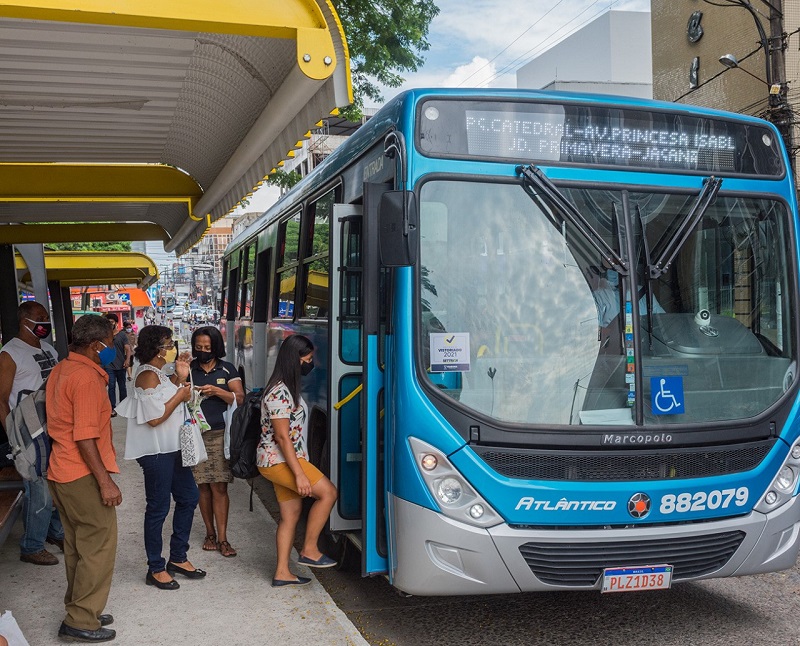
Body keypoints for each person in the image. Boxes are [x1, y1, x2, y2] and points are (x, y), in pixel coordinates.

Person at [46, 313, 121, 643]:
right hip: (82, 474)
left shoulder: (63, 368)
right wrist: (105, 481)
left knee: (78, 546)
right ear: (95, 345)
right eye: (110, 343)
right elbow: (86, 436)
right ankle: (81, 620)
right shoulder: (87, 378)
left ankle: (81, 608)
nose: (113, 349)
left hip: (62, 471)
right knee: (99, 546)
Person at [116, 325, 204, 591]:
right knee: (158, 508)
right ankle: (155, 567)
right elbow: (154, 418)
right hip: (155, 452)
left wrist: (179, 376)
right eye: (168, 344)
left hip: (171, 448)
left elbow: (165, 396)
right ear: (156, 348)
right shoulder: (146, 375)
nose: (172, 348)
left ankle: (178, 557)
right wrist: (180, 395)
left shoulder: (159, 373)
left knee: (189, 497)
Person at [258, 334, 338, 587]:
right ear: (295, 359)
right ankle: (310, 550)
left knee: (290, 515)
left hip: (277, 460)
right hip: (279, 460)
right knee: (328, 493)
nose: (311, 363)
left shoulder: (284, 388)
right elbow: (282, 437)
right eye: (308, 359)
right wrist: (300, 474)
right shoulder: (279, 392)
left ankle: (282, 572)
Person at [0, 301, 64, 566]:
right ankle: (32, 545)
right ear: (24, 321)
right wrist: (13, 436)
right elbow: (1, 398)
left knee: (57, 481)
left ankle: (55, 532)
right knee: (38, 487)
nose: (45, 322)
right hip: (27, 430)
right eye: (40, 317)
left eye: (46, 317)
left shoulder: (48, 349)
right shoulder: (10, 353)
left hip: (54, 426)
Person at [189, 326, 244, 558]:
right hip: (195, 435)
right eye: (198, 347)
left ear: (216, 347)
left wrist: (217, 391)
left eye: (207, 347)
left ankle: (223, 538)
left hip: (220, 435)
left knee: (219, 486)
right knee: (203, 486)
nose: (203, 351)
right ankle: (209, 534)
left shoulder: (227, 369)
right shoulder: (189, 369)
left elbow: (239, 398)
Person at [103, 314, 132, 416]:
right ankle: (112, 408)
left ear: (116, 323)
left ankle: (123, 407)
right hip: (109, 366)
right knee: (111, 386)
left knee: (122, 386)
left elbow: (127, 349)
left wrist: (127, 360)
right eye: (108, 322)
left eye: (111, 322)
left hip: (121, 365)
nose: (110, 324)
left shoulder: (122, 335)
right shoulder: (104, 336)